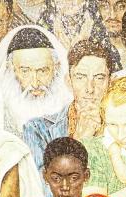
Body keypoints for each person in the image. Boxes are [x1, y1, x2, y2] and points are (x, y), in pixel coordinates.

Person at [23, 39, 114, 172]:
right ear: (68, 81)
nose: (90, 88)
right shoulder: (38, 129)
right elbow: (41, 188)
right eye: (80, 77)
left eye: (99, 78)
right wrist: (79, 141)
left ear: (110, 83)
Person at [0, 26, 74, 136]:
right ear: (11, 69)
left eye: (42, 71)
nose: (35, 83)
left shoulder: (70, 107)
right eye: (25, 71)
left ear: (56, 68)